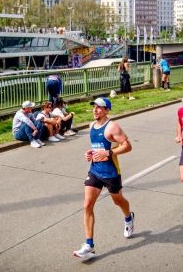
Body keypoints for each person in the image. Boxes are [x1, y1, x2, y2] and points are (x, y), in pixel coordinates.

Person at [73, 97, 134, 260]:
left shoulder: (112, 127)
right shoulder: (91, 125)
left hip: (111, 173)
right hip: (94, 171)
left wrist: (109, 153)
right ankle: (89, 245)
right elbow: (96, 147)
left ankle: (128, 217)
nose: (95, 110)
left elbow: (127, 146)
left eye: (99, 107)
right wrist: (90, 153)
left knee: (118, 201)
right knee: (87, 205)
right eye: (94, 107)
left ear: (107, 110)